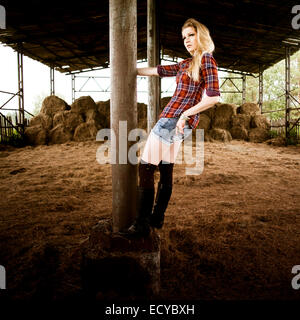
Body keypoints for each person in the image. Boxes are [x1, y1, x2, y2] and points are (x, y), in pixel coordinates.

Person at [127, 18, 220, 236]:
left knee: (146, 167)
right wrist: (130, 69)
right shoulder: (187, 63)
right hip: (180, 124)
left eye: (191, 35)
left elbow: (214, 97)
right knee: (166, 169)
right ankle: (157, 218)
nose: (187, 40)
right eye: (184, 37)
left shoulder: (206, 59)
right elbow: (159, 70)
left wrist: (185, 114)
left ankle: (141, 225)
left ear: (201, 35)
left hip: (173, 119)